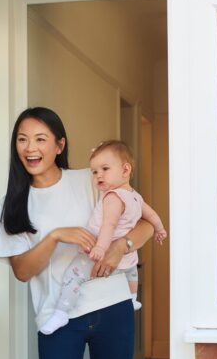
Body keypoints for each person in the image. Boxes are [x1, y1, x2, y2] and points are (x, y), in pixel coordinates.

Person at [0, 107, 154, 359]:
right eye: (22, 140)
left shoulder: (91, 180)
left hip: (112, 308)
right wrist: (54, 236)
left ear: (59, 145)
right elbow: (22, 271)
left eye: (40, 139)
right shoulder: (13, 203)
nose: (30, 148)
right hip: (58, 317)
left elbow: (145, 221)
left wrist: (122, 246)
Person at [41, 139, 167, 335]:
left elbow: (109, 225)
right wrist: (160, 230)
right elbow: (151, 216)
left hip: (99, 249)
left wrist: (100, 248)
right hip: (126, 256)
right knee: (131, 271)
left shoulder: (112, 198)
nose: (98, 176)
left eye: (105, 169)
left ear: (125, 170)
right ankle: (133, 298)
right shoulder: (136, 197)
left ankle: (61, 313)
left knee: (72, 276)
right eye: (94, 171)